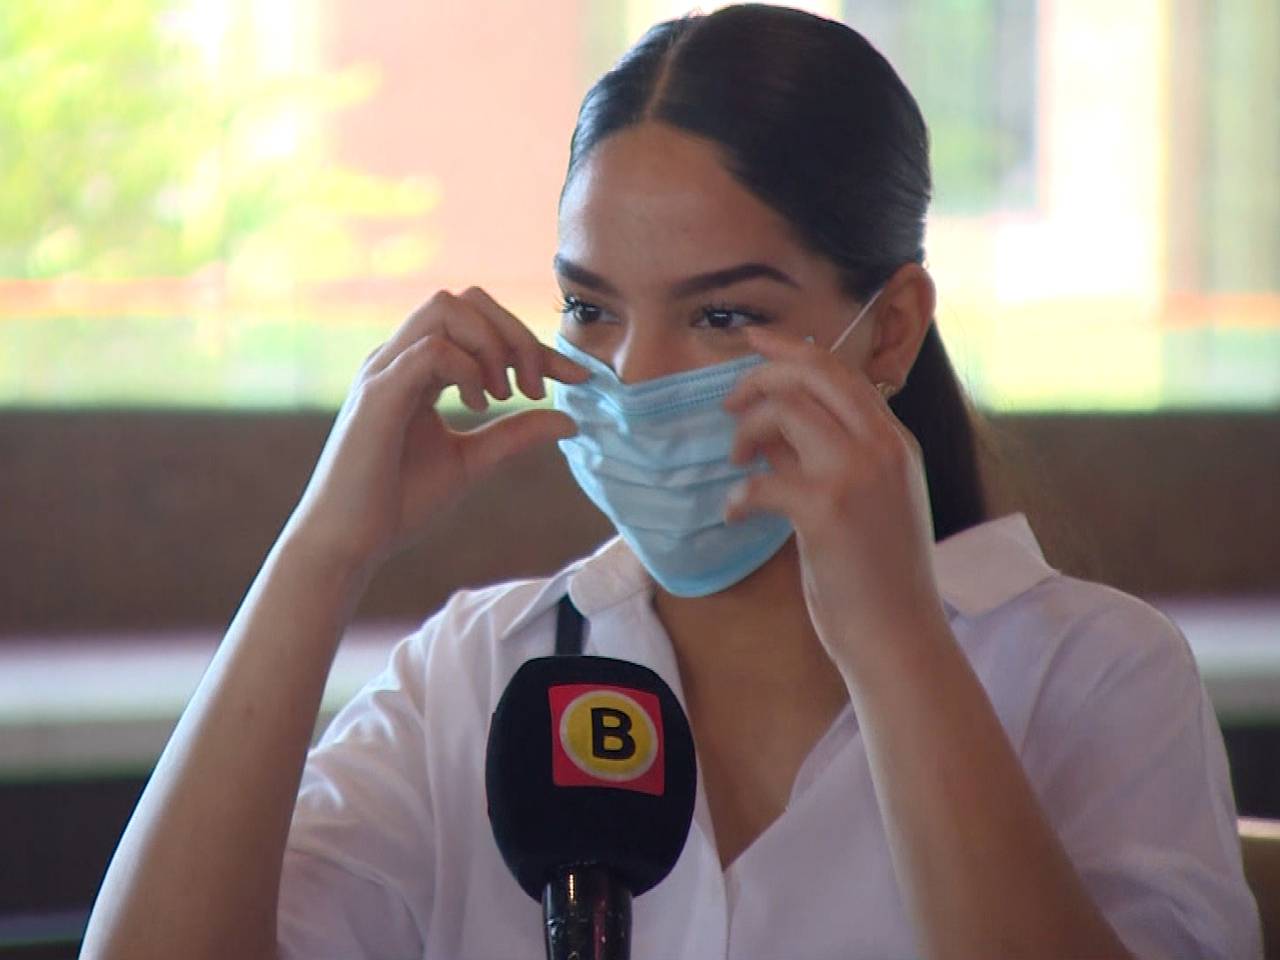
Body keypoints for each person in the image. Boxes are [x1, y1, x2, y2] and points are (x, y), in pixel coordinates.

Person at [82, 5, 1261, 959]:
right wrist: (318, 555)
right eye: (590, 307)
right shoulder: (481, 673)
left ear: (888, 331)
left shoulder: (1091, 674)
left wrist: (896, 640)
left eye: (721, 313)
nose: (634, 376)